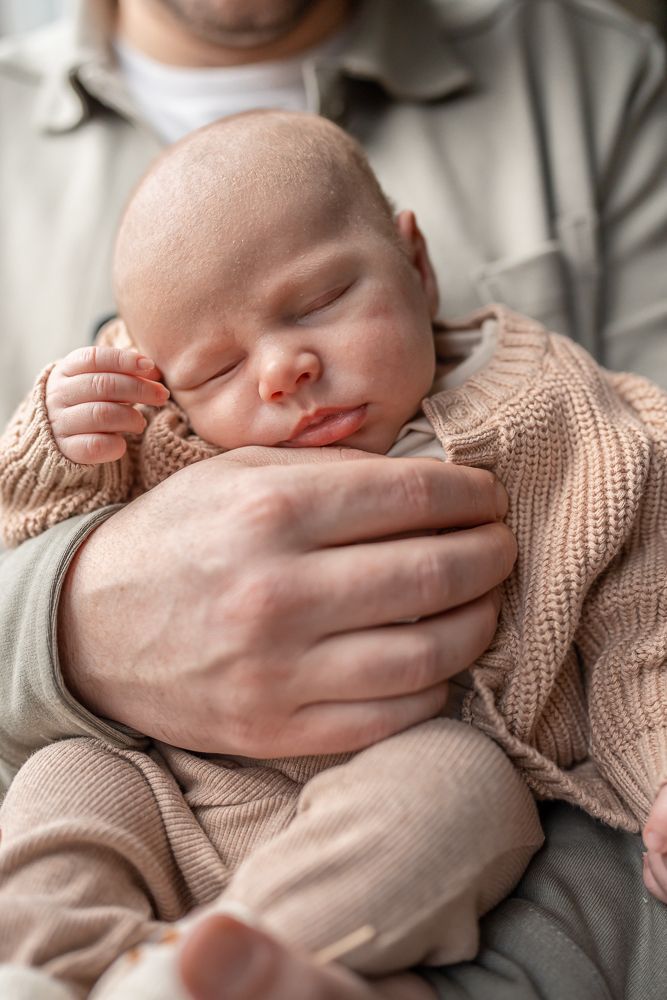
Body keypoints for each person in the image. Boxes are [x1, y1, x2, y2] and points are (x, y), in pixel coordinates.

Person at [0, 2, 666, 998]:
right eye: (217, 365)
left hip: (399, 822)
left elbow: (640, 606)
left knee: (460, 784)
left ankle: (225, 969)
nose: (282, 369)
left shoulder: (551, 413)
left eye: (317, 304)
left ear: (417, 261)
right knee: (66, 784)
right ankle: (46, 968)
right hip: (181, 787)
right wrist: (55, 444)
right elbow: (27, 530)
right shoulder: (157, 444)